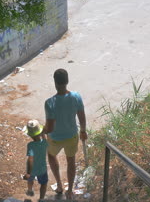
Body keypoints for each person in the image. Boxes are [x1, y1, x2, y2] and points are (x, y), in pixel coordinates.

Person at [42, 68, 87, 200]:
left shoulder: (50, 103)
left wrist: (41, 130)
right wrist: (83, 131)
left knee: (51, 156)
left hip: (55, 138)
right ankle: (70, 190)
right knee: (71, 161)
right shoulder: (76, 97)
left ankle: (60, 186)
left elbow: (49, 128)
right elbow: (82, 118)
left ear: (55, 82)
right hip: (72, 136)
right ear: (67, 81)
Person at [22, 120, 49, 200]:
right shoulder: (44, 143)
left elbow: (30, 159)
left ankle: (30, 190)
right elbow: (44, 137)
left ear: (30, 135)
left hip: (32, 170)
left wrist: (28, 173)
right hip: (42, 169)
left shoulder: (30, 145)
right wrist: (43, 133)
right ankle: (41, 199)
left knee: (30, 180)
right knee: (43, 184)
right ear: (40, 132)